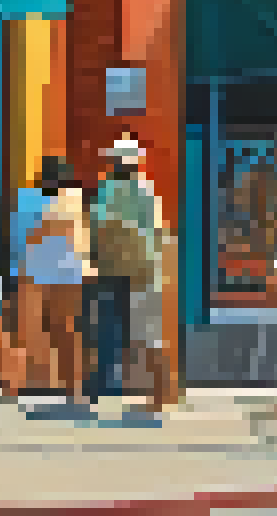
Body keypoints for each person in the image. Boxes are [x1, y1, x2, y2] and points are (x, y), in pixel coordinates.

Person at [90, 134, 176, 414]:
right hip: (147, 268)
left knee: (124, 333)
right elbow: (160, 233)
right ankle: (163, 392)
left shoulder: (109, 190)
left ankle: (152, 393)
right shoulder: (147, 191)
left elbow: (99, 226)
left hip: (118, 269)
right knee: (148, 333)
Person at [10, 154, 90, 409]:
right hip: (66, 275)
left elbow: (20, 237)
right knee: (65, 332)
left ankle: (35, 385)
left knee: (33, 331)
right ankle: (72, 389)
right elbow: (80, 240)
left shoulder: (28, 200)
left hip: (38, 274)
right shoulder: (72, 201)